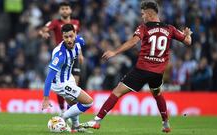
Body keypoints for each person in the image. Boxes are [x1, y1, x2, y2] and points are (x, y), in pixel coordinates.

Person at [81, 1, 192, 133]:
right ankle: (166, 123)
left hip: (142, 69)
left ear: (150, 14)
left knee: (117, 92)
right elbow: (188, 41)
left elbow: (133, 42)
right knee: (157, 94)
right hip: (158, 72)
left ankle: (97, 121)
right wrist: (188, 34)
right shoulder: (170, 28)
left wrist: (114, 52)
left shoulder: (144, 27)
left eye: (143, 14)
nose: (142, 16)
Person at [42, 24, 93, 132]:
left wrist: (80, 55)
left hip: (68, 78)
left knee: (73, 105)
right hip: (60, 84)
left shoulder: (79, 41)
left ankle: (76, 126)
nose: (69, 40)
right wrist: (46, 98)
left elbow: (82, 42)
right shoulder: (60, 54)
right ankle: (62, 118)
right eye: (66, 37)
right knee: (88, 102)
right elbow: (49, 77)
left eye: (71, 36)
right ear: (62, 37)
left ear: (75, 34)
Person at [39, 2, 83, 112]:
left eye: (66, 8)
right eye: (62, 8)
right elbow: (44, 29)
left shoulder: (76, 23)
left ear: (70, 10)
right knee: (61, 83)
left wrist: (80, 54)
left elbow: (77, 39)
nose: (64, 10)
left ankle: (69, 110)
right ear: (59, 11)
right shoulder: (55, 23)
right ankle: (63, 110)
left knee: (73, 85)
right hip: (62, 57)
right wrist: (43, 32)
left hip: (74, 56)